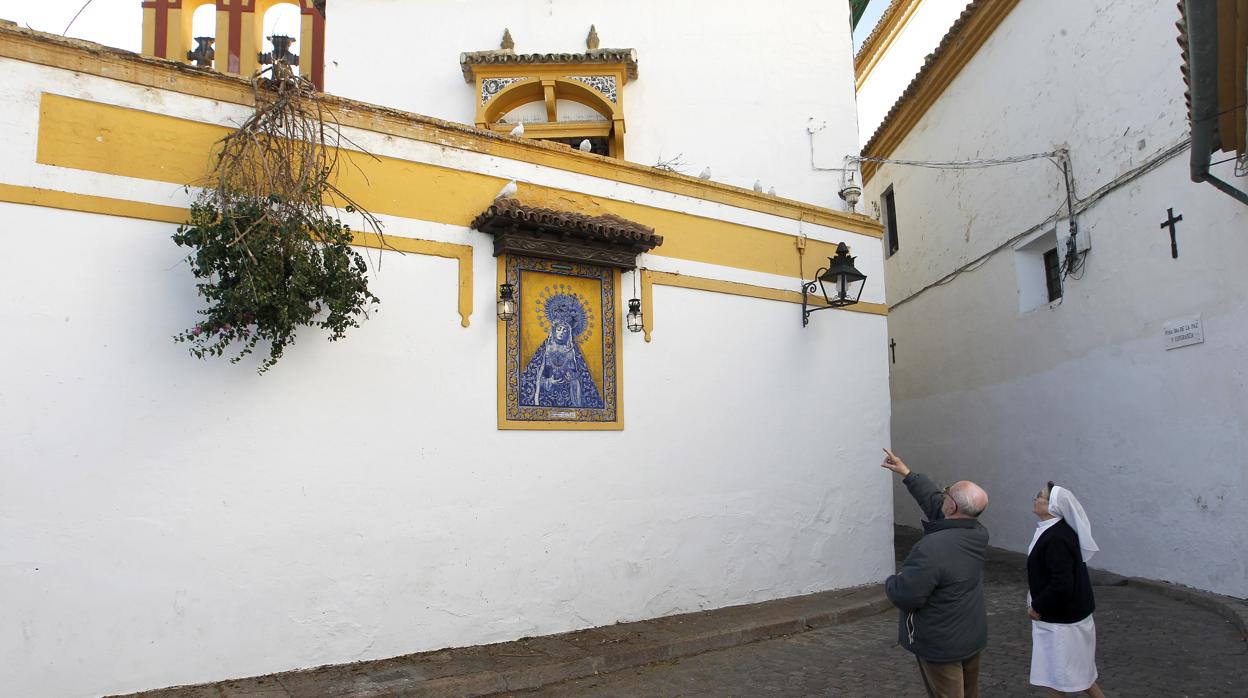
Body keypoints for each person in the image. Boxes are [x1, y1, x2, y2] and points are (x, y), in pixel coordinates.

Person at [881, 448, 990, 698]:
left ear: (951, 506)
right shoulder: (978, 533)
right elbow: (934, 503)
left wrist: (891, 581)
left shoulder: (932, 548)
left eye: (946, 492)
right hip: (970, 636)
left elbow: (906, 595)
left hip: (941, 643)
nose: (942, 494)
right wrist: (906, 473)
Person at [1027, 482, 1106, 698]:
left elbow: (1062, 583)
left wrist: (1037, 605)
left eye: (1039, 496)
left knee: (1064, 677)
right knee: (1075, 677)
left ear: (1053, 505)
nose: (1035, 498)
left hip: (1064, 623)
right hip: (1066, 619)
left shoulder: (1057, 537)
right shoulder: (1054, 531)